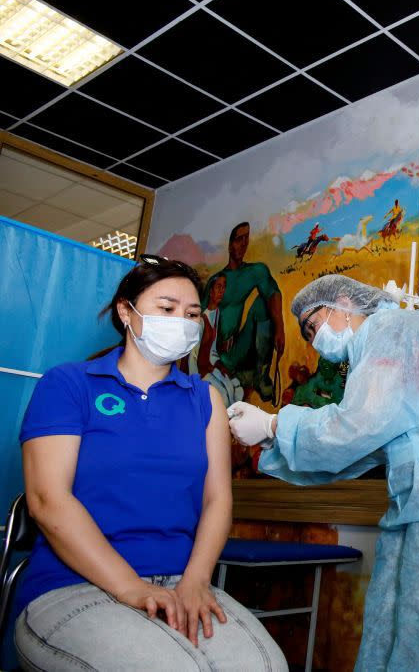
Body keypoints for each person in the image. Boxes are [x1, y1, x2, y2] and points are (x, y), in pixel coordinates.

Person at [226, 275, 419, 672]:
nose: (315, 340)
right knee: (399, 619)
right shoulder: (384, 338)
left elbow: (357, 426)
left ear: (344, 300)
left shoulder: (392, 328)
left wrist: (275, 426)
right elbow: (360, 450)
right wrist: (271, 441)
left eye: (314, 326)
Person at [14, 256, 287, 672]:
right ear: (127, 311)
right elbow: (47, 500)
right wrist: (130, 587)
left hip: (181, 579)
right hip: (73, 583)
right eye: (166, 308)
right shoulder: (69, 385)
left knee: (267, 667)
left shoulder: (205, 399)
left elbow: (218, 501)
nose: (181, 321)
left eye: (192, 314)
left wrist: (196, 581)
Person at [204, 222, 285, 402]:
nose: (243, 244)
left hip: (239, 345)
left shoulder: (254, 271)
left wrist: (280, 329)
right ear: (229, 244)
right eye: (238, 239)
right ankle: (236, 372)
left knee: (264, 303)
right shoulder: (215, 281)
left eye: (246, 239)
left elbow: (273, 293)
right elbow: (200, 321)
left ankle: (261, 375)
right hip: (217, 352)